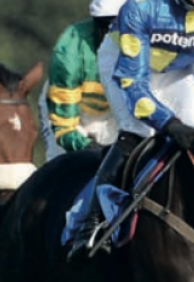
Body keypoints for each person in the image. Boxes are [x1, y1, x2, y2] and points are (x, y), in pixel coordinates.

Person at [68, 0, 194, 259]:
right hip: (125, 64)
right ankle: (91, 221)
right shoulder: (141, 7)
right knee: (139, 130)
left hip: (182, 67)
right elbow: (135, 86)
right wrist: (170, 125)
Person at [38, 0, 127, 162]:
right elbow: (65, 129)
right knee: (66, 164)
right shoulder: (71, 49)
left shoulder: (149, 40)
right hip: (69, 111)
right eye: (106, 27)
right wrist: (88, 147)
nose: (112, 35)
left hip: (113, 113)